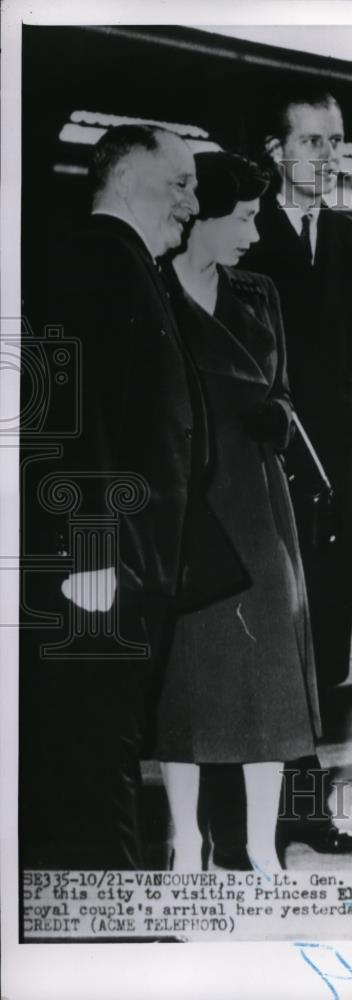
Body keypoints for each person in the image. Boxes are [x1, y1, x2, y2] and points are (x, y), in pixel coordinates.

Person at [19, 125, 247, 869]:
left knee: (104, 733)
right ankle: (110, 920)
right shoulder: (93, 258)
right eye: (178, 183)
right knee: (97, 738)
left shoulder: (128, 263)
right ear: (123, 180)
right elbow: (68, 412)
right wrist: (88, 548)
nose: (192, 201)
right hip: (100, 559)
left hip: (131, 555)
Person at [154, 151, 322, 872]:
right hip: (185, 499)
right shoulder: (151, 291)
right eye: (246, 217)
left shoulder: (259, 291)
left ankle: (259, 846)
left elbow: (284, 389)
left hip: (256, 501)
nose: (256, 232)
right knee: (185, 684)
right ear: (204, 215)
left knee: (269, 679)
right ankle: (185, 842)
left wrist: (277, 418)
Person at [227, 88, 352, 857]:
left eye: (336, 141)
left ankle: (305, 814)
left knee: (325, 643)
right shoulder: (241, 236)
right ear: (275, 150)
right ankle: (243, 822)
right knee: (259, 643)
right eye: (312, 141)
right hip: (261, 463)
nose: (326, 155)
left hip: (333, 469)